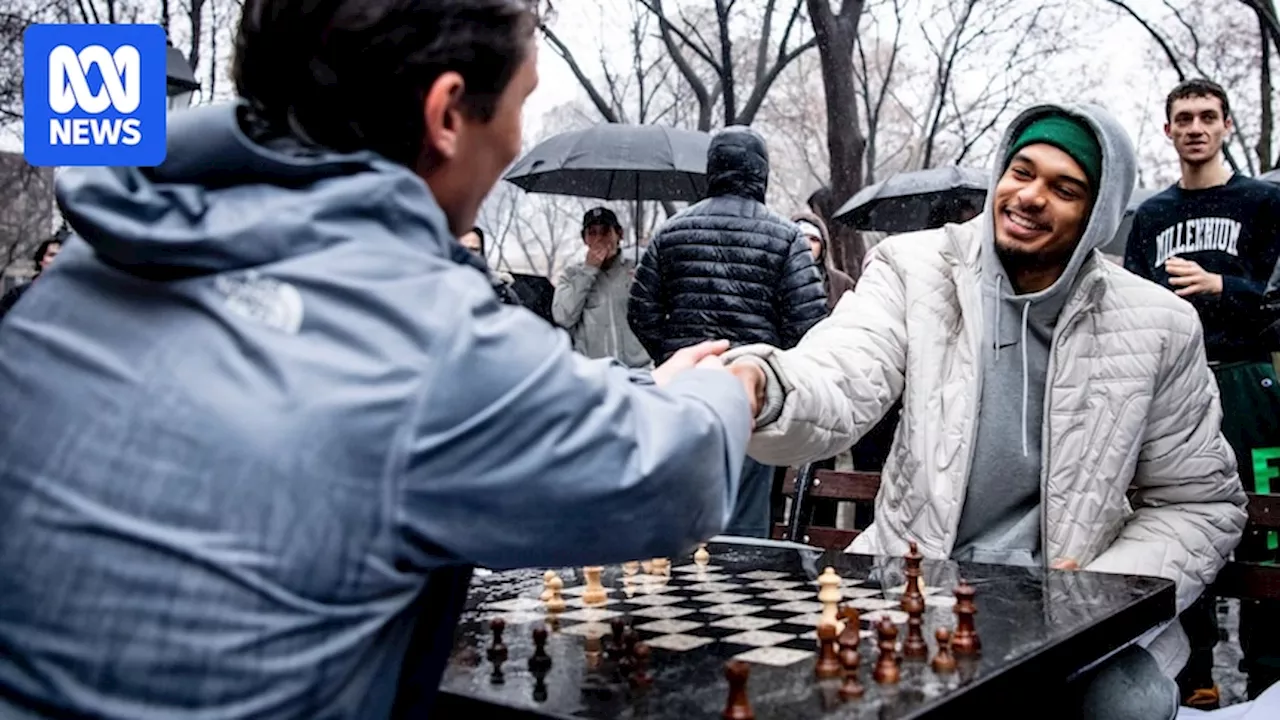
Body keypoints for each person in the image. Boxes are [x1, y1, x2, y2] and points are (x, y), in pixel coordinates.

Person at [0, 1, 753, 719]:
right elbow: (675, 477)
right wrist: (726, 386)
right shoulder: (421, 332)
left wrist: (638, 387)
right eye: (521, 102)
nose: (518, 139)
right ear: (448, 114)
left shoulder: (84, 270)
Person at [726, 103, 1247, 719]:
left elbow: (1199, 502)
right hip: (915, 592)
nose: (1028, 197)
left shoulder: (1160, 325)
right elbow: (840, 369)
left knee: (1129, 702)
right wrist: (764, 383)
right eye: (1021, 172)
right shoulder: (915, 269)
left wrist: (1099, 596)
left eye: (1063, 188)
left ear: (1097, 213)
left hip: (1076, 605)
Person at [1124, 78, 1280, 706]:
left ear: (1225, 127)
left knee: (1267, 524)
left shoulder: (1263, 204)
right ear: (1167, 130)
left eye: (1207, 116)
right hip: (1177, 387)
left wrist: (1224, 287)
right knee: (1177, 523)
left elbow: (1276, 302)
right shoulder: (1153, 215)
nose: (1195, 127)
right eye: (1183, 117)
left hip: (1248, 379)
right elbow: (1128, 309)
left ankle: (1270, 672)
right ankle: (1194, 680)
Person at [628, 126, 828, 539]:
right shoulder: (786, 237)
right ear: (762, 173)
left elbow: (640, 311)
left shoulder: (671, 232)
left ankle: (680, 597)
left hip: (684, 391)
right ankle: (743, 592)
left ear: (712, 169)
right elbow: (810, 323)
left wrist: (673, 356)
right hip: (750, 399)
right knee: (747, 521)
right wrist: (770, 369)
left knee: (681, 515)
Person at [551, 207, 650, 368]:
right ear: (585, 239)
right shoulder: (571, 275)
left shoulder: (639, 269)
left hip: (640, 369)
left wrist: (643, 283)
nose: (599, 239)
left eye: (605, 232)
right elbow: (563, 317)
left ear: (619, 234)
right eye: (592, 233)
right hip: (594, 371)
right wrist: (589, 271)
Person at [793, 211, 855, 312]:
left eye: (814, 239)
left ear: (823, 246)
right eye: (801, 238)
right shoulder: (777, 282)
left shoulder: (842, 283)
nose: (807, 244)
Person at [0, 232, 63, 321]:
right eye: (52, 255)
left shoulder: (72, 297)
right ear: (41, 261)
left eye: (62, 255)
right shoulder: (18, 294)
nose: (57, 259)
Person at [459, 226, 522, 306]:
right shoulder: (442, 288)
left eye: (474, 250)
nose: (470, 254)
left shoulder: (500, 292)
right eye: (463, 249)